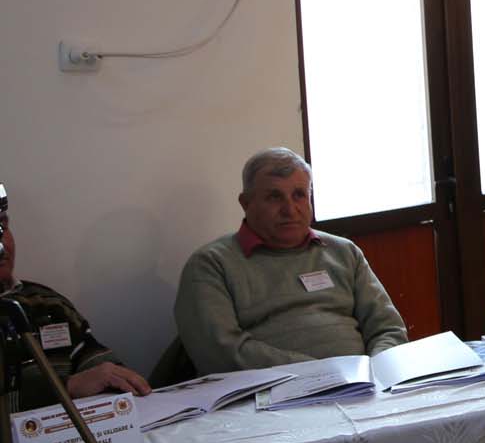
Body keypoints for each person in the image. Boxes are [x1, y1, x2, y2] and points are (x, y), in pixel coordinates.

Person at [174, 149, 408, 374]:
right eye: (274, 197)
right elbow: (220, 352)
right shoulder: (211, 265)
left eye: (299, 195)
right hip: (273, 393)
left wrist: (378, 372)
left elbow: (388, 329)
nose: (290, 209)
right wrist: (319, 374)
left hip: (362, 386)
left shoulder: (344, 252)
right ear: (246, 203)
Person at [0, 215, 150, 408]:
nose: (2, 245)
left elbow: (93, 359)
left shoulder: (46, 302)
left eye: (3, 227)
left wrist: (115, 377)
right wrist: (68, 387)